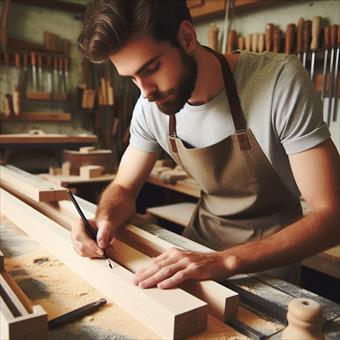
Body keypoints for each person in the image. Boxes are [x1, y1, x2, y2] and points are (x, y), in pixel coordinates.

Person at [72, 0, 340, 288]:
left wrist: (225, 260)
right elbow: (123, 188)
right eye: (133, 78)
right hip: (197, 248)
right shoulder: (149, 106)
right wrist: (103, 219)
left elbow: (332, 215)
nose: (146, 92)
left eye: (151, 68)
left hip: (268, 261)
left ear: (187, 37)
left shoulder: (278, 82)